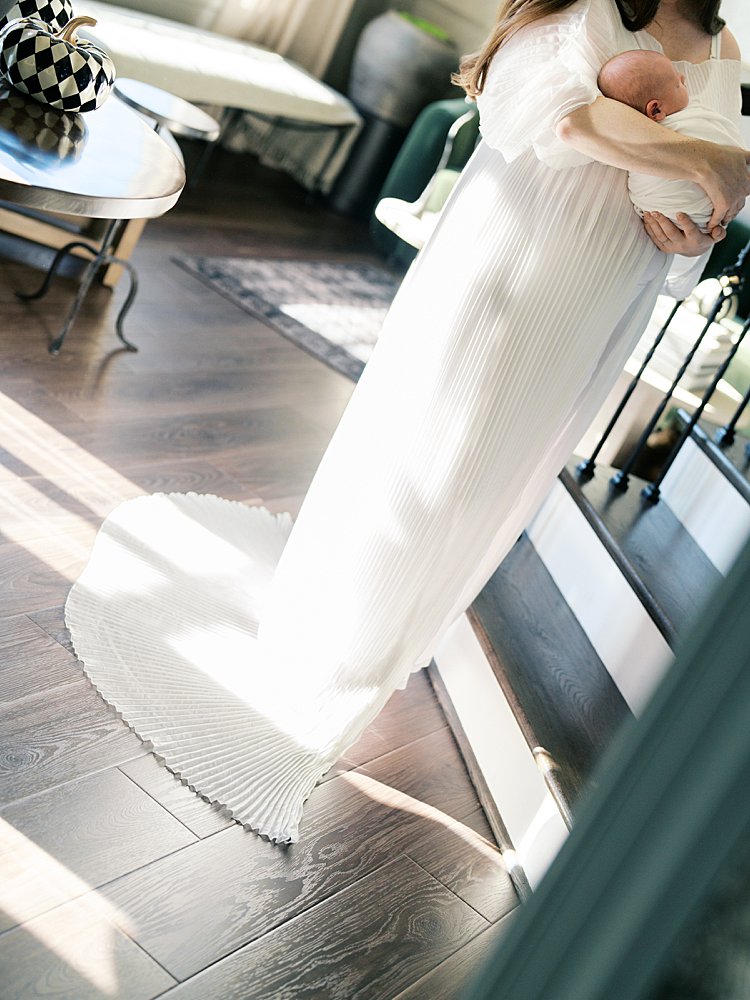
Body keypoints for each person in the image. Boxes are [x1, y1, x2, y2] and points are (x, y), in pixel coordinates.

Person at [65, 0, 750, 844]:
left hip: (609, 291)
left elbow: (703, 211)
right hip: (515, 258)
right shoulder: (585, 9)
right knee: (430, 461)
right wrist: (709, 156)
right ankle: (335, 645)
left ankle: (381, 638)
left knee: (493, 482)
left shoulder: (727, 47)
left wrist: (695, 226)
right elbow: (555, 118)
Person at [597, 47, 744, 230]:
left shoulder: (629, 143)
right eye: (677, 83)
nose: (683, 78)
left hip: (661, 215)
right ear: (656, 110)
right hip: (711, 212)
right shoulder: (687, 123)